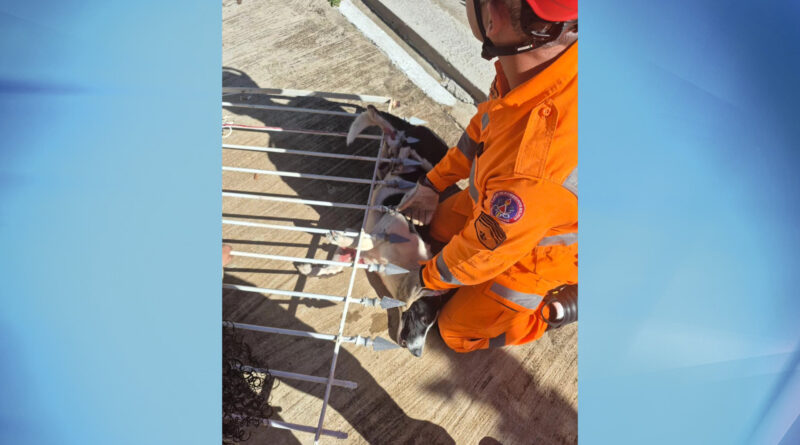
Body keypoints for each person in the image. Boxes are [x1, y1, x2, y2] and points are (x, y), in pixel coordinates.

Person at [396, 0, 578, 353]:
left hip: (542, 256)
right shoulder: (538, 68)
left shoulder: (533, 168)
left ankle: (553, 309)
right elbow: (484, 128)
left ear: (493, 19)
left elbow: (482, 250)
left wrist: (424, 279)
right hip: (507, 210)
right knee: (437, 230)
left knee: (456, 333)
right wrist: (433, 183)